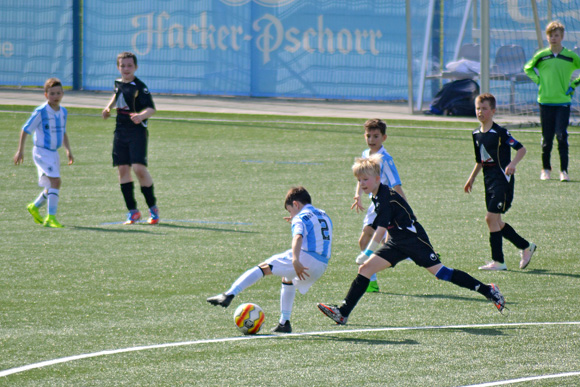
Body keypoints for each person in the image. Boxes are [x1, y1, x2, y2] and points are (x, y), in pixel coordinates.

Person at [317, 155, 505, 326]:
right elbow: (382, 226)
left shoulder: (385, 198)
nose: (362, 183)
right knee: (365, 269)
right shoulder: (377, 195)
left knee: (441, 273)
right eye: (359, 180)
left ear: (377, 178)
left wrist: (367, 252)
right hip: (397, 241)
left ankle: (489, 290)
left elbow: (381, 229)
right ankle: (343, 313)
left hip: (414, 240)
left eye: (365, 179)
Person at [207, 186, 333, 334]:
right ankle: (284, 323)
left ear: (296, 204)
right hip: (322, 264)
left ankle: (228, 294)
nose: (291, 215)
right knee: (288, 278)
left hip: (305, 259)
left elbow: (298, 237)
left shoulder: (300, 218)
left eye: (290, 210)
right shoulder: (323, 214)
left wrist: (295, 260)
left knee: (263, 268)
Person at [464, 93, 536, 271]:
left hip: (502, 181)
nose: (480, 112)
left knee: (490, 218)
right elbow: (480, 160)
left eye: (484, 109)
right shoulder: (475, 134)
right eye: (478, 108)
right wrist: (471, 178)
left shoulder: (500, 132)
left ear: (493, 111)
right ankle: (526, 246)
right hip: (488, 181)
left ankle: (498, 261)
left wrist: (512, 164)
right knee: (495, 222)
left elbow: (521, 149)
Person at [102, 52, 159, 225]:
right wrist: (108, 108)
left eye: (129, 66)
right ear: (118, 67)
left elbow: (151, 109)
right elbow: (117, 94)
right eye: (123, 66)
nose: (126, 69)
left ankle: (153, 208)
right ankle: (133, 211)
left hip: (136, 132)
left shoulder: (140, 86)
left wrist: (140, 116)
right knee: (123, 170)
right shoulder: (118, 82)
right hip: (120, 131)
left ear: (136, 67)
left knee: (138, 169)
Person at [351, 118, 406, 293]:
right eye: (369, 136)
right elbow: (361, 178)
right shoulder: (366, 154)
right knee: (367, 240)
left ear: (384, 137)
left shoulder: (385, 159)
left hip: (385, 203)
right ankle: (372, 281)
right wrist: (358, 195)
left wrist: (405, 209)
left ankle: (410, 251)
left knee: (375, 240)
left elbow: (396, 184)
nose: (372, 139)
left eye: (376, 136)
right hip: (374, 204)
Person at [523, 21, 580, 182]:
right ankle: (546, 169)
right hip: (545, 102)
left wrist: (574, 84)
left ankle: (564, 171)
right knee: (547, 138)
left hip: (563, 102)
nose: (553, 38)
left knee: (561, 135)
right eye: (550, 35)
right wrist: (538, 80)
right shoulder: (541, 56)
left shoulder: (570, 56)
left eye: (556, 35)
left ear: (562, 37)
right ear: (547, 37)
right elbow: (528, 68)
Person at [13, 78, 74, 228]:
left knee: (52, 185)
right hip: (41, 152)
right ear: (46, 95)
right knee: (56, 181)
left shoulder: (63, 111)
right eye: (52, 93)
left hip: (53, 153)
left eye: (58, 93)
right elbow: (25, 129)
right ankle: (50, 218)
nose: (56, 96)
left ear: (62, 94)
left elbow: (63, 132)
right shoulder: (41, 112)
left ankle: (34, 206)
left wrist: (68, 150)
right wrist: (20, 150)